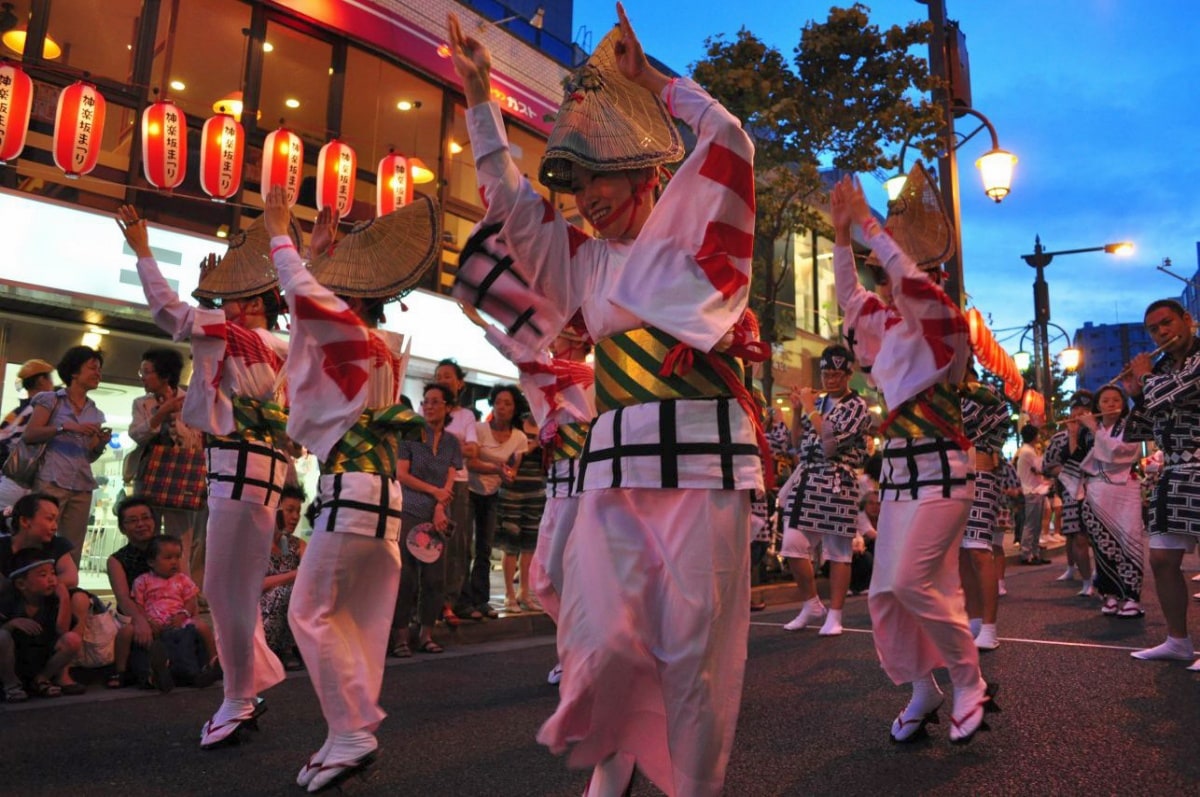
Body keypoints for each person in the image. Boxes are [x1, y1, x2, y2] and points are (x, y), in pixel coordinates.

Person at [449, 4, 765, 791]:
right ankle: (614, 765)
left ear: (646, 173)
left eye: (597, 180)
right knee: (603, 642)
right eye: (577, 182)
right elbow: (512, 209)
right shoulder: (581, 268)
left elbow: (731, 143)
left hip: (702, 474)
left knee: (694, 660)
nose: (584, 197)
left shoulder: (691, 243)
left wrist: (652, 80)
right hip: (612, 480)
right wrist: (480, 100)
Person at [264, 185, 435, 792]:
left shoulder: (346, 334)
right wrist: (315, 255)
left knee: (311, 612)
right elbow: (311, 306)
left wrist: (281, 232)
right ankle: (345, 734)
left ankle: (353, 732)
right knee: (357, 624)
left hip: (354, 491)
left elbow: (307, 302)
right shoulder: (381, 345)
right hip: (381, 498)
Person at [117, 205, 292, 748]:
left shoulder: (240, 337)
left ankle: (239, 695)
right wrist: (212, 297)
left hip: (239, 470)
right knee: (230, 588)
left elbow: (168, 313)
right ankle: (248, 685)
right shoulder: (284, 342)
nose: (225, 302)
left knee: (223, 589)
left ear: (257, 300)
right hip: (256, 469)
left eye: (234, 294)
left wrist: (143, 249)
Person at [833, 166, 996, 745]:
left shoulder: (943, 321)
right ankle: (923, 688)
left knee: (910, 582)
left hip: (943, 476)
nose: (886, 270)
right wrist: (838, 237)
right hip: (899, 483)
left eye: (895, 260)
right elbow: (849, 297)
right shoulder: (890, 324)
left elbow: (912, 283)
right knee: (884, 594)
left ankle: (969, 679)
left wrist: (868, 225)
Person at [456, 302, 595, 683]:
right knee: (545, 578)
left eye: (561, 329)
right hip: (561, 485)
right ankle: (583, 649)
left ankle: (582, 654)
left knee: (557, 575)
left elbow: (525, 357)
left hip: (578, 485)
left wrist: (482, 322)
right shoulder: (563, 378)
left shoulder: (577, 372)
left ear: (576, 337)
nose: (551, 337)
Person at [1121, 300, 1200, 666]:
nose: (1161, 333)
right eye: (1153, 329)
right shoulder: (1164, 369)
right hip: (1173, 471)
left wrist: (1145, 380)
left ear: (1188, 320)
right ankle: (1177, 639)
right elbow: (1136, 431)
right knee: (1163, 560)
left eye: (1167, 323)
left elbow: (1174, 392)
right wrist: (1134, 391)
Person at [779, 345, 870, 636]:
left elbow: (830, 444)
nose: (830, 380)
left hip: (837, 479)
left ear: (848, 374)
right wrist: (796, 411)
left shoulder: (857, 406)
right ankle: (811, 603)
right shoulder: (816, 403)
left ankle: (836, 614)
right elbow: (794, 443)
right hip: (806, 478)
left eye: (836, 374)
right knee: (792, 544)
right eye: (826, 373)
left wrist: (808, 407)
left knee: (838, 551)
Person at [21, 346, 112, 565]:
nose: (98, 374)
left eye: (99, 369)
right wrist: (65, 427)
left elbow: (89, 456)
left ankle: (67, 591)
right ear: (74, 372)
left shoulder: (95, 412)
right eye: (92, 368)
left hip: (81, 485)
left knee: (72, 548)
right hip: (51, 479)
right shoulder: (51, 400)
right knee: (40, 540)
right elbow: (30, 434)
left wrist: (99, 445)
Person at [392, 383, 462, 658]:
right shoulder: (410, 435)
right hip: (410, 509)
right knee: (406, 576)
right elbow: (402, 474)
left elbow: (450, 478)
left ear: (447, 406)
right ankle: (400, 637)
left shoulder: (451, 442)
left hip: (439, 513)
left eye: (435, 401)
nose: (429, 406)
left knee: (434, 578)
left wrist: (440, 507)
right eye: (426, 402)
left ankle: (425, 634)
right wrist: (435, 493)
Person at [129, 347, 206, 585]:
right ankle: (141, 585)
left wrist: (179, 424)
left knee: (181, 533)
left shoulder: (190, 399)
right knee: (145, 530)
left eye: (147, 372)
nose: (142, 377)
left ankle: (181, 589)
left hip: (182, 474)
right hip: (150, 473)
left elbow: (198, 439)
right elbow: (137, 434)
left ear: (164, 375)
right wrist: (161, 412)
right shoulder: (142, 403)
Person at [0, 491, 91, 692]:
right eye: (49, 519)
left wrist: (43, 584)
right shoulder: (3, 547)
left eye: (56, 519)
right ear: (25, 521)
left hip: (45, 609)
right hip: (11, 612)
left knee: (80, 598)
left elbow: (70, 577)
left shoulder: (57, 545)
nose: (55, 526)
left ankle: (61, 673)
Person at [1076, 385, 1145, 618]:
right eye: (1105, 401)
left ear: (1124, 404)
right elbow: (1078, 459)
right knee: (1102, 546)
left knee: (1129, 540)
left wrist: (1095, 429)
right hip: (1098, 492)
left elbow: (1121, 453)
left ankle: (1132, 597)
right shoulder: (1087, 430)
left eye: (1116, 400)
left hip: (1125, 490)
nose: (1111, 404)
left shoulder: (1130, 426)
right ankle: (1110, 594)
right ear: (1097, 405)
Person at [462, 384, 527, 615]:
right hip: (468, 490)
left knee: (485, 548)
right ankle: (462, 601)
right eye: (498, 402)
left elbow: (512, 471)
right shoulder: (479, 429)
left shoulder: (519, 438)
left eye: (508, 403)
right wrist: (497, 470)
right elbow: (469, 463)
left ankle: (481, 600)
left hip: (491, 495)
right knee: (464, 547)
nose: (502, 407)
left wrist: (507, 474)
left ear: (515, 408)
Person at [958, 370, 1011, 651]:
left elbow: (966, 426)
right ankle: (975, 621)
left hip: (978, 472)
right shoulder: (942, 390)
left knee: (979, 549)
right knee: (962, 554)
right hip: (950, 474)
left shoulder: (983, 390)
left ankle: (989, 627)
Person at [131, 534, 219, 689]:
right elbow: (138, 604)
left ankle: (213, 662)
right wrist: (147, 621)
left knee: (202, 626)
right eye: (168, 558)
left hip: (180, 618)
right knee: (137, 637)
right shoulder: (142, 581)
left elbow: (191, 601)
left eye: (177, 557)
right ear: (151, 561)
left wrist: (183, 614)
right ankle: (147, 672)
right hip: (154, 622)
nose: (174, 562)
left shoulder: (183, 580)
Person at [434, 359, 481, 623]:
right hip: (431, 484)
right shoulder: (428, 409)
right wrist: (456, 446)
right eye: (438, 375)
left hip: (459, 484)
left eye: (448, 376)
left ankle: (449, 601)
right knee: (428, 541)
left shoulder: (465, 416)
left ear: (460, 383)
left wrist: (442, 447)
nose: (442, 379)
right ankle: (427, 602)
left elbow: (473, 450)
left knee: (457, 543)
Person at [0, 549, 82, 700]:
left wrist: (64, 598)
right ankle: (11, 686)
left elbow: (62, 630)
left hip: (40, 657)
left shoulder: (52, 601)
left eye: (53, 573)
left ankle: (41, 679)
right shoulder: (8, 601)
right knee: (2, 636)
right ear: (21, 584)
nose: (52, 579)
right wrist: (11, 624)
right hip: (14, 661)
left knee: (72, 639)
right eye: (43, 575)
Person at [105, 496, 162, 689]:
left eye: (146, 518)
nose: (141, 524)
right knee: (138, 636)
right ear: (122, 528)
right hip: (136, 617)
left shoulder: (169, 550)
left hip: (168, 613)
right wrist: (141, 621)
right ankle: (134, 672)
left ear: (155, 521)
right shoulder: (117, 560)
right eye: (132, 520)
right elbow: (123, 597)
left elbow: (185, 585)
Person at [1043, 392, 1096, 597]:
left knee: (1098, 538)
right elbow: (1048, 465)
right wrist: (1068, 473)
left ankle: (1103, 576)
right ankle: (1086, 580)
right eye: (1076, 409)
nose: (1080, 413)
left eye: (1085, 410)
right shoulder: (1059, 438)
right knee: (1078, 538)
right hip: (1071, 493)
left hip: (1096, 489)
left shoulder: (1096, 433)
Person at [260, 484, 306, 671]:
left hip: (290, 611)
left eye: (298, 511)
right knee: (287, 591)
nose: (295, 517)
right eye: (289, 510)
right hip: (261, 615)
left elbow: (314, 573)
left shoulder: (298, 545)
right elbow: (255, 585)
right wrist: (295, 575)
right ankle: (284, 649)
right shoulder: (256, 544)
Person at [0, 359, 56, 510]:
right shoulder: (44, 410)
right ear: (41, 380)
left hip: (6, 481)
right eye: (50, 378)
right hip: (25, 482)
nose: (53, 383)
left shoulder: (14, 413)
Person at [1015, 424, 1052, 565]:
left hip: (1034, 490)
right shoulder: (1028, 452)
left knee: (1035, 524)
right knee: (1031, 524)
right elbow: (1040, 468)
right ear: (1034, 436)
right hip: (1032, 491)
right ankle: (1027, 553)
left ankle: (1034, 553)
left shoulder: (1026, 450)